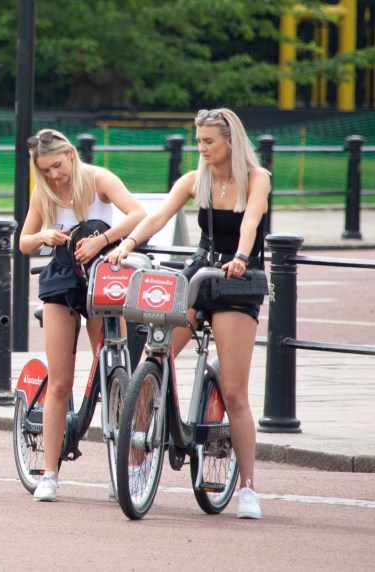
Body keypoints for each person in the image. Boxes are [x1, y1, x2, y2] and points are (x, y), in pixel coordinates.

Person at [106, 108, 270, 519]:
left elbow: (250, 221)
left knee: (234, 391)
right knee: (151, 359)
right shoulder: (195, 180)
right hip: (199, 274)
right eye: (198, 141)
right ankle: (137, 460)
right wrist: (127, 246)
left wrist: (241, 257)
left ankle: (248, 488)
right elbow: (158, 215)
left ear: (229, 141)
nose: (202, 149)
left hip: (237, 278)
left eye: (208, 142)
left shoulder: (256, 179)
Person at [18, 128, 145, 502]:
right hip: (61, 277)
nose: (54, 175)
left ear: (71, 154)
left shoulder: (98, 179)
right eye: (45, 170)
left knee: (115, 373)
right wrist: (44, 236)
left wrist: (103, 241)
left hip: (102, 274)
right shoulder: (43, 192)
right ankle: (50, 472)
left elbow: (137, 213)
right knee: (60, 382)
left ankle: (127, 468)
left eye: (57, 166)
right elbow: (23, 242)